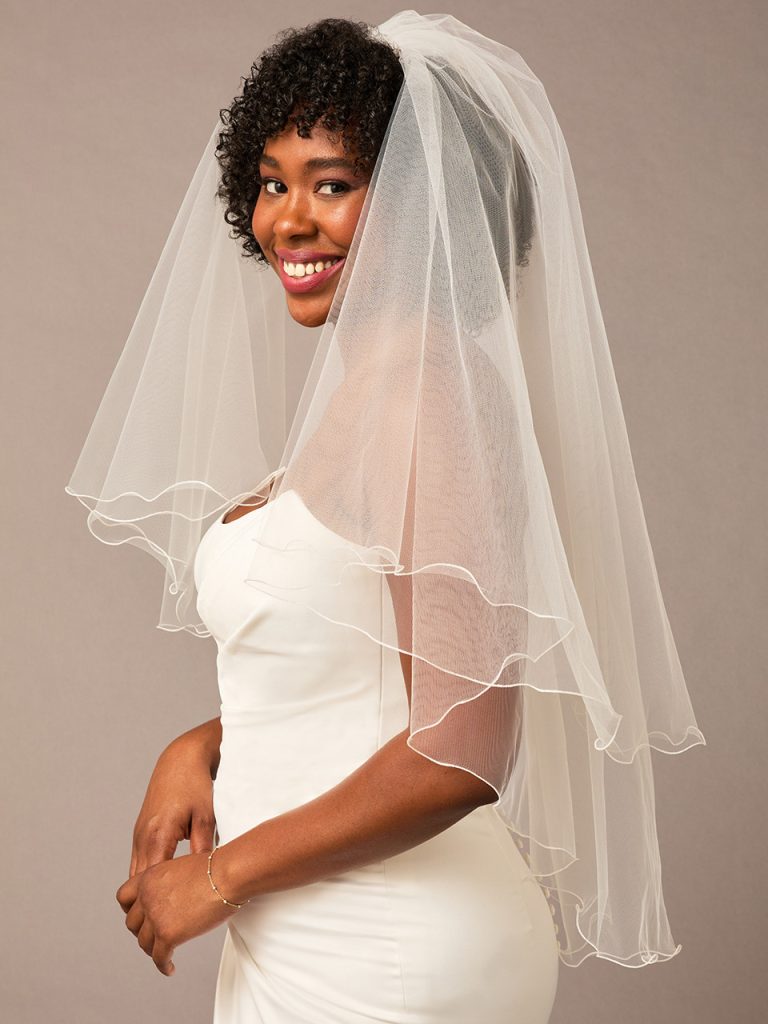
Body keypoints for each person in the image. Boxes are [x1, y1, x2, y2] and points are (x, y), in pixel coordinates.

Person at [65, 10, 705, 1022]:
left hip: (387, 952)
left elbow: (464, 749)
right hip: (307, 929)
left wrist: (220, 877)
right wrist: (202, 744)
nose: (288, 220)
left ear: (421, 202)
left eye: (332, 184)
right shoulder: (369, 395)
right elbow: (358, 671)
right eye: (271, 182)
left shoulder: (431, 403)